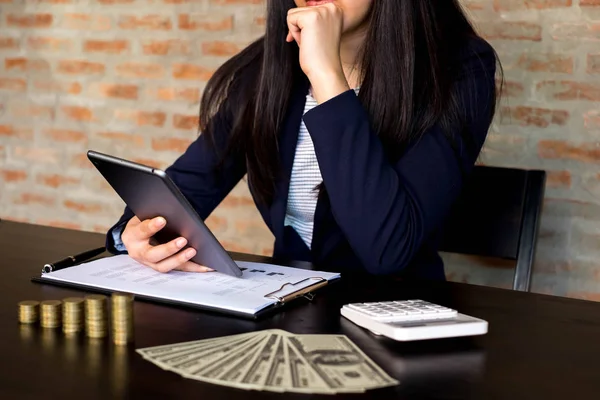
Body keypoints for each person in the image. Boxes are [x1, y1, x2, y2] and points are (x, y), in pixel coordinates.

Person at [105, 0, 501, 280]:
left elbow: (387, 250)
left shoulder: (459, 68)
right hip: (289, 305)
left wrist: (326, 75)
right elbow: (187, 185)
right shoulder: (266, 69)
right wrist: (134, 235)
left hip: (397, 320)